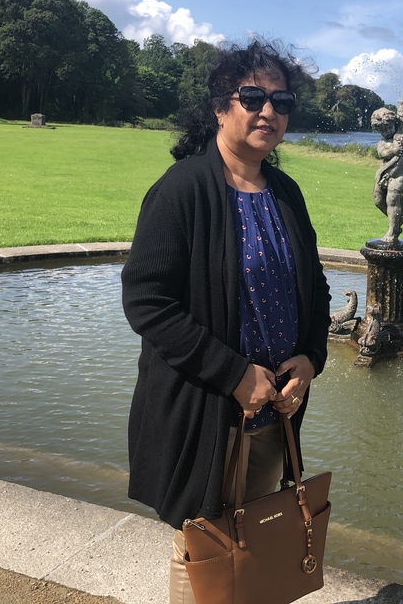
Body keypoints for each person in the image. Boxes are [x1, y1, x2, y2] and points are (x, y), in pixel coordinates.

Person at [121, 40, 331, 604]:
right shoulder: (183, 189)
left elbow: (314, 286)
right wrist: (234, 374)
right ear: (220, 107)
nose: (269, 111)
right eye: (253, 97)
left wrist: (311, 359)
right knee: (203, 548)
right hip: (207, 410)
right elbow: (146, 300)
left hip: (271, 414)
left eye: (281, 101)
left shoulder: (285, 193)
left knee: (252, 542)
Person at [371, 103, 403, 243]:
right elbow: (382, 153)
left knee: (392, 200)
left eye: (388, 128)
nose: (386, 132)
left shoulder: (402, 137)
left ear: (395, 123)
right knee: (378, 200)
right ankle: (397, 219)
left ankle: (392, 231)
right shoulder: (382, 142)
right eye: (382, 130)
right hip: (383, 175)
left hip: (398, 176)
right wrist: (394, 150)